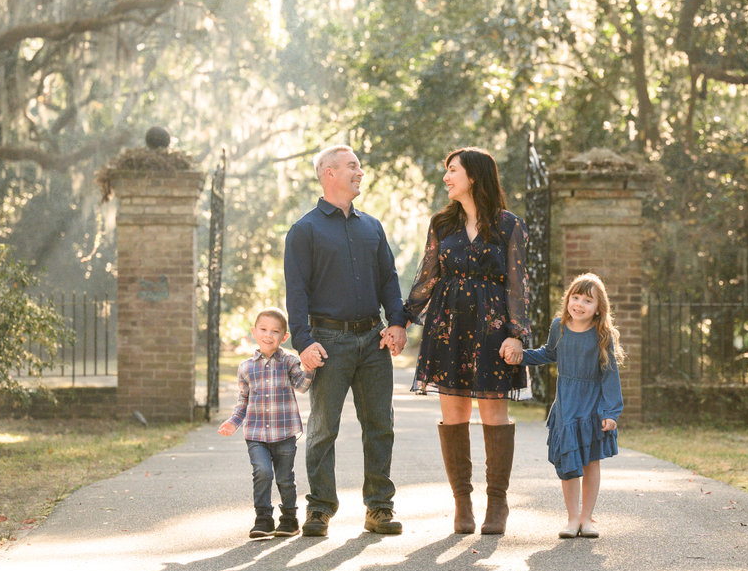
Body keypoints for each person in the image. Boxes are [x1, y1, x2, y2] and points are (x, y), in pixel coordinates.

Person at [405, 146, 531, 535]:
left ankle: (498, 503)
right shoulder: (442, 224)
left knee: (494, 415)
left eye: (452, 170)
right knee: (454, 415)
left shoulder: (509, 225)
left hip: (493, 329)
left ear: (474, 176)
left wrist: (518, 335)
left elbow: (518, 286)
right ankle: (462, 504)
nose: (446, 177)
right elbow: (427, 277)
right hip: (448, 327)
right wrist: (402, 319)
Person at [284, 145, 408, 537]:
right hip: (327, 342)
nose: (360, 172)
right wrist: (303, 342)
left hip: (373, 340)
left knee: (380, 426)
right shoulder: (304, 230)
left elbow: (389, 279)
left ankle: (379, 510)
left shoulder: (372, 226)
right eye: (352, 166)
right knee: (323, 428)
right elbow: (296, 292)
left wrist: (398, 322)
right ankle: (319, 509)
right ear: (328, 173)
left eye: (359, 166)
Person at [504, 272, 623, 538]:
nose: (579, 304)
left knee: (591, 463)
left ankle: (587, 519)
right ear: (568, 298)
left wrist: (611, 412)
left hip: (592, 408)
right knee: (568, 463)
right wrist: (521, 356)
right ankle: (571, 519)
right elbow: (547, 353)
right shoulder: (559, 327)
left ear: (598, 309)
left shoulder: (601, 335)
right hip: (567, 406)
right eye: (575, 297)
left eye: (587, 301)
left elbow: (609, 374)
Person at [218, 307, 314, 539]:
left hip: (284, 433)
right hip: (256, 434)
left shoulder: (289, 361)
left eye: (275, 331)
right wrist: (233, 422)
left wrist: (310, 369)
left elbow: (301, 386)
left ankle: (289, 519)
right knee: (262, 472)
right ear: (254, 332)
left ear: (284, 337)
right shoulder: (246, 367)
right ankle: (263, 518)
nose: (268, 335)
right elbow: (243, 402)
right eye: (263, 329)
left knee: (284, 478)